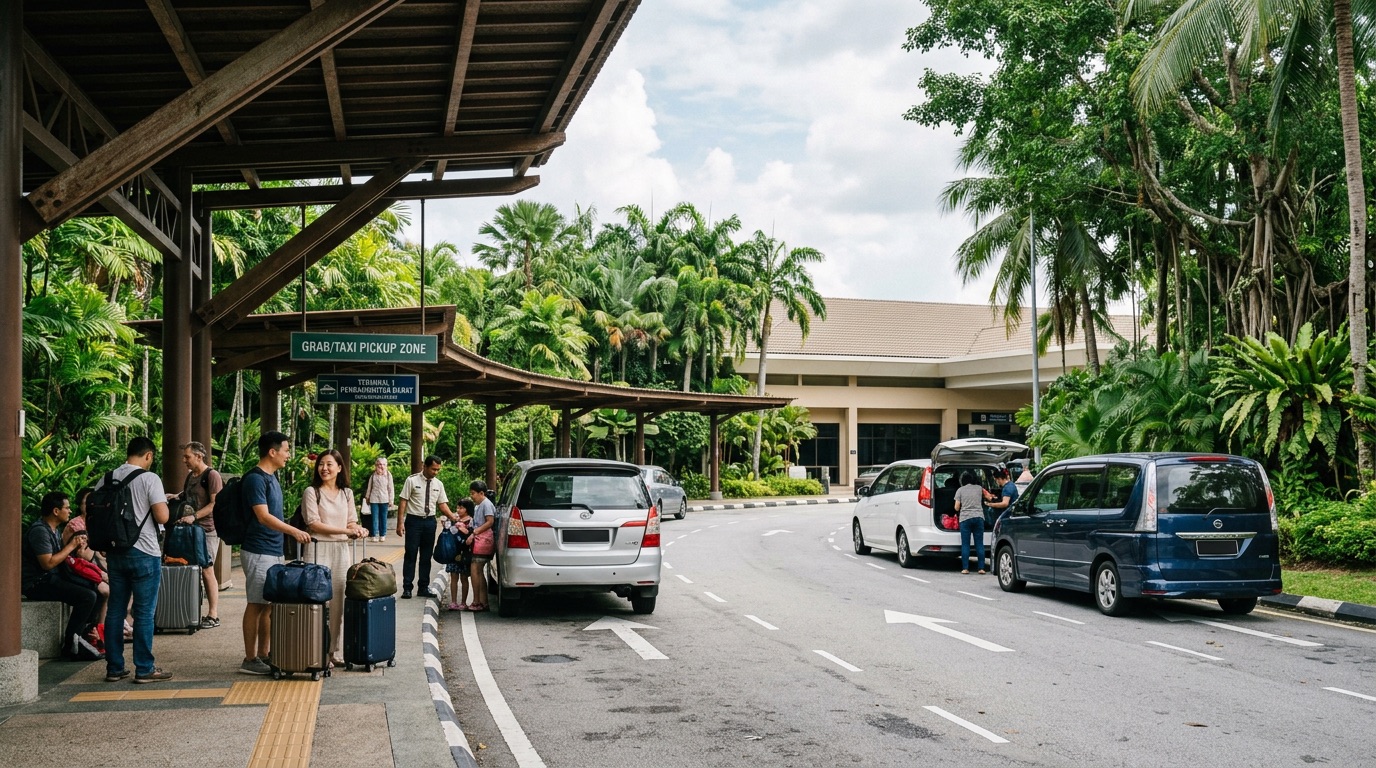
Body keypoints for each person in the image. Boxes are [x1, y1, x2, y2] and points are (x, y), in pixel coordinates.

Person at [100, 437, 173, 683]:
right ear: (149, 455)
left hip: (115, 552)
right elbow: (162, 517)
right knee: (143, 612)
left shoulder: (107, 478)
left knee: (115, 610)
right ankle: (144, 668)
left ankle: (114, 667)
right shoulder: (149, 478)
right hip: (144, 552)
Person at [239, 431, 312, 676]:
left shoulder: (272, 477)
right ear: (272, 452)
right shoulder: (255, 479)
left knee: (269, 604)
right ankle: (249, 658)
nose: (289, 455)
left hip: (273, 549)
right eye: (286, 450)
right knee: (256, 604)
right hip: (259, 549)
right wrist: (293, 531)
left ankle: (264, 653)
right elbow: (263, 516)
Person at [302, 449, 367, 668]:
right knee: (318, 601)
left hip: (341, 550)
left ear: (339, 468)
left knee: (339, 601)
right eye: (321, 464)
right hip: (317, 549)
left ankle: (333, 651)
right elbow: (313, 524)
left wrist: (358, 529)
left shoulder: (347, 493)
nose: (324, 468)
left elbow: (351, 521)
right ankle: (314, 651)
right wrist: (346, 531)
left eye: (330, 464)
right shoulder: (312, 492)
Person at [22, 491, 105, 661]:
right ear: (55, 511)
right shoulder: (40, 531)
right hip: (37, 583)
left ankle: (84, 635)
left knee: (94, 589)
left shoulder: (53, 530)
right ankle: (71, 643)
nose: (69, 511)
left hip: (52, 578)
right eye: (66, 508)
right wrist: (70, 546)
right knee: (87, 596)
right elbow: (47, 563)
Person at [169, 441, 224, 629]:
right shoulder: (191, 476)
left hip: (207, 530)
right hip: (190, 530)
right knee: (191, 569)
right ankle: (191, 611)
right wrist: (175, 496)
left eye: (187, 457)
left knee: (207, 569)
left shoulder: (212, 475)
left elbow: (215, 503)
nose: (184, 460)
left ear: (199, 456)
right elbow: (189, 495)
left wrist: (194, 516)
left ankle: (213, 614)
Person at [397, 456, 456, 599]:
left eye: (438, 470)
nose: (436, 472)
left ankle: (423, 587)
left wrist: (454, 517)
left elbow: (442, 504)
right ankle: (407, 588)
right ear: (425, 466)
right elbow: (403, 502)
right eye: (433, 469)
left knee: (426, 556)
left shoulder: (438, 484)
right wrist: (400, 523)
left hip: (430, 523)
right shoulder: (412, 480)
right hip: (413, 521)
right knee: (411, 554)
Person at [464, 481, 496, 612]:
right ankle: (483, 601)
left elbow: (490, 522)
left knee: (475, 570)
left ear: (481, 493)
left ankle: (477, 601)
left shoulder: (486, 505)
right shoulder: (480, 505)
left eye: (473, 494)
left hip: (482, 540)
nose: (472, 496)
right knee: (478, 572)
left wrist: (475, 533)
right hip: (480, 540)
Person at [952, 470, 989, 575]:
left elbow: (956, 507)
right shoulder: (979, 488)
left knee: (965, 544)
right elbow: (989, 497)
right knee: (979, 543)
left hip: (965, 519)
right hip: (979, 517)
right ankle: (981, 568)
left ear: (962, 481)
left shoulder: (960, 490)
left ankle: (965, 568)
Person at [447, 499, 475, 611]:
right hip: (454, 551)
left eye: (461, 508)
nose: (458, 510)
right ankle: (453, 601)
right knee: (453, 576)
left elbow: (471, 534)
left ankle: (463, 602)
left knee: (464, 577)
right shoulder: (454, 520)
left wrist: (463, 529)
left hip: (465, 552)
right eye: (458, 508)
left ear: (467, 509)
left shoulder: (471, 521)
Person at [360, 457, 395, 543]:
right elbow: (369, 487)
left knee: (383, 518)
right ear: (376, 465)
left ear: (386, 465)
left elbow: (391, 488)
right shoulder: (373, 475)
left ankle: (382, 535)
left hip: (385, 499)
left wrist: (391, 500)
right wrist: (367, 497)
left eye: (383, 464)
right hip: (374, 499)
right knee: (374, 518)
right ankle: (374, 535)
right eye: (379, 464)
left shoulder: (388, 475)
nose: (381, 466)